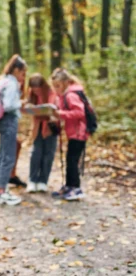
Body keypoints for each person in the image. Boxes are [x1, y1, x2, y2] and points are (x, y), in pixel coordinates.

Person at [0, 54, 27, 206]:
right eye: (22, 72)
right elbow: (9, 105)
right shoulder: (12, 83)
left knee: (3, 154)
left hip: (1, 121)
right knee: (8, 156)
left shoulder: (2, 80)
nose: (23, 76)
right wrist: (21, 103)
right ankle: (1, 191)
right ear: (16, 70)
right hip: (9, 120)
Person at [51, 68, 88, 200]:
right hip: (73, 133)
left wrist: (61, 114)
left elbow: (80, 113)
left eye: (58, 86)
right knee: (69, 159)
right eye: (54, 86)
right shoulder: (64, 95)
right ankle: (69, 185)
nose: (56, 88)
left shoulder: (71, 95)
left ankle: (76, 188)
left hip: (79, 133)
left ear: (66, 82)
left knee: (72, 160)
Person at [25, 73, 58, 193]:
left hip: (51, 127)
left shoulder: (51, 92)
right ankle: (32, 180)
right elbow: (27, 106)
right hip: (38, 127)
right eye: (34, 89)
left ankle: (43, 181)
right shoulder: (32, 94)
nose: (36, 92)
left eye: (38, 90)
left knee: (48, 154)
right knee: (36, 153)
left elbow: (53, 108)